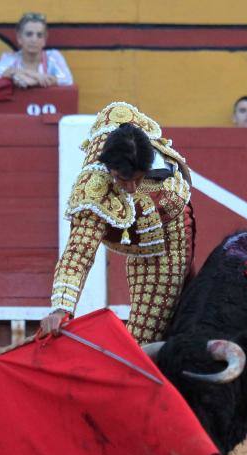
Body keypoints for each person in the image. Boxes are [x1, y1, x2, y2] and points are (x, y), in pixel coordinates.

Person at [40, 102, 195, 345]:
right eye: (123, 179)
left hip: (167, 241)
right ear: (110, 168)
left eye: (138, 178)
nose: (131, 188)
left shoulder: (162, 182)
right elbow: (78, 253)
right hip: (141, 232)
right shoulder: (96, 189)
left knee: (146, 337)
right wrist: (61, 307)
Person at [0, 12, 73, 88]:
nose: (34, 40)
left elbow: (67, 79)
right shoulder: (10, 58)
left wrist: (34, 82)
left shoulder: (53, 57)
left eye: (39, 35)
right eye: (29, 34)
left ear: (44, 40)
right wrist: (33, 75)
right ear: (19, 38)